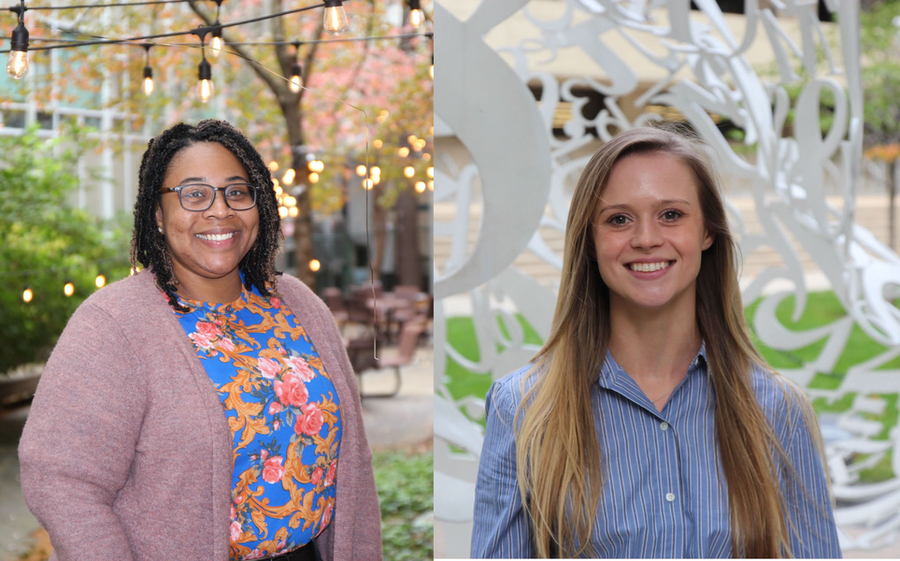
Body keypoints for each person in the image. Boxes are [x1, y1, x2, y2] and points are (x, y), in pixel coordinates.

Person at [470, 126, 841, 559]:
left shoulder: (778, 409)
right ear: (590, 241)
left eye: (671, 215)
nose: (646, 238)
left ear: (708, 233)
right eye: (619, 219)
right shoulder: (523, 407)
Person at [18, 120, 382, 561]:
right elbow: (62, 480)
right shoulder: (112, 325)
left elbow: (355, 463)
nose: (220, 210)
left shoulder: (298, 304)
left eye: (236, 192)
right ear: (157, 212)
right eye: (194, 194)